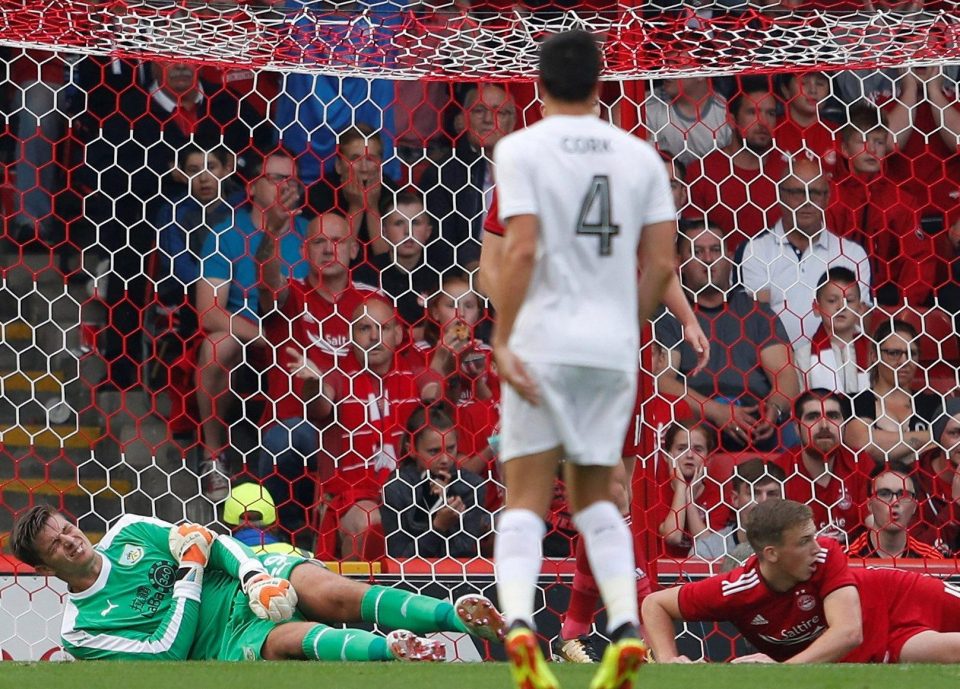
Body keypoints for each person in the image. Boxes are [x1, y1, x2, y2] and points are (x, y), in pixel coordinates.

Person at [488, 29, 678, 689]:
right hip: (610, 349)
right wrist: (627, 324)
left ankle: (519, 626)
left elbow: (519, 249)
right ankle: (624, 628)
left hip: (542, 342)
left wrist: (505, 336)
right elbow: (661, 262)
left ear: (537, 84)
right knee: (602, 497)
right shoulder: (640, 157)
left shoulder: (520, 149)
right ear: (602, 84)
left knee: (527, 500)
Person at [10, 505, 505, 662]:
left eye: (66, 529)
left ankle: (454, 616)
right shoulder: (80, 632)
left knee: (328, 591)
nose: (70, 541)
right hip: (217, 640)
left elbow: (210, 541)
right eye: (55, 546)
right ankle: (395, 650)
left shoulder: (128, 531)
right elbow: (166, 653)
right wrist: (191, 572)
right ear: (46, 570)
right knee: (286, 640)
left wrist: (254, 579)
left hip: (242, 586)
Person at [641, 498, 960, 663]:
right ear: (772, 553)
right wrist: (670, 662)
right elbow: (655, 604)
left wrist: (782, 671)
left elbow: (848, 632)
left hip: (902, 598)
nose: (816, 545)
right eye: (804, 540)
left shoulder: (827, 553)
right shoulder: (736, 590)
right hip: (879, 647)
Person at [254, 211, 379, 542]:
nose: (328, 249)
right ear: (304, 250)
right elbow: (267, 282)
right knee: (289, 437)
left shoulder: (371, 302)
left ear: (354, 249)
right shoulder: (291, 296)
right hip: (301, 427)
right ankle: (290, 542)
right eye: (318, 242)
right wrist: (272, 236)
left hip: (358, 430)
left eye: (337, 241)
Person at [195, 150, 309, 500]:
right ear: (254, 186)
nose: (282, 186)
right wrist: (266, 336)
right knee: (215, 346)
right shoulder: (227, 232)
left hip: (305, 338)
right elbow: (209, 311)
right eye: (273, 178)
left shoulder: (313, 233)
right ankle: (214, 456)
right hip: (249, 337)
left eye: (290, 179)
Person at [655, 219, 799, 452]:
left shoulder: (757, 313)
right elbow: (662, 380)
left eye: (715, 250)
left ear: (730, 257)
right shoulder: (669, 315)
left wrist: (774, 409)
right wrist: (715, 411)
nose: (709, 259)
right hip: (696, 420)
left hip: (755, 417)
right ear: (678, 263)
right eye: (697, 252)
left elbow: (786, 376)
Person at [738, 155, 872, 345]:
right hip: (774, 365)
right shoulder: (756, 250)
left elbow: (860, 323)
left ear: (827, 198)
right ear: (780, 195)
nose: (806, 201)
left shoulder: (852, 254)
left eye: (815, 193)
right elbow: (758, 322)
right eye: (797, 192)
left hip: (835, 363)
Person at [422, 83, 517, 271]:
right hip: (462, 274)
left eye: (500, 113)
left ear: (513, 122)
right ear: (464, 118)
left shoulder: (526, 171)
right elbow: (440, 245)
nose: (489, 119)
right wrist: (472, 267)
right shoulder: (442, 173)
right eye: (479, 110)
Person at [381, 403, 490, 558]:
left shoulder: (471, 487)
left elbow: (463, 553)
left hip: (459, 577)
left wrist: (448, 510)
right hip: (410, 580)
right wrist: (437, 527)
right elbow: (400, 558)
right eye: (434, 451)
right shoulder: (396, 489)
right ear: (411, 449)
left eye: (451, 448)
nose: (445, 459)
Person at [687, 80, 785, 252]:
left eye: (770, 113)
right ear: (731, 120)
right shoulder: (701, 173)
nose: (763, 122)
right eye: (752, 112)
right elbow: (692, 244)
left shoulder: (787, 173)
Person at [844, 319, 941, 465]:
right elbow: (864, 444)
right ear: (874, 356)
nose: (904, 361)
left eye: (912, 353)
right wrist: (932, 435)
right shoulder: (857, 401)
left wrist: (887, 443)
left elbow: (948, 445)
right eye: (894, 353)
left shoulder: (933, 403)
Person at [777, 389, 867, 541]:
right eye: (813, 417)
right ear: (796, 429)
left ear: (844, 425)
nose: (824, 425)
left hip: (854, 560)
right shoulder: (779, 472)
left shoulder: (860, 463)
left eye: (833, 416)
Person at [793, 268, 871, 395]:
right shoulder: (802, 356)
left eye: (849, 301)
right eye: (832, 300)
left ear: (860, 308)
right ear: (816, 308)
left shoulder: (873, 352)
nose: (841, 307)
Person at [693, 457, 786, 563]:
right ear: (735, 499)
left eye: (772, 494)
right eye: (753, 493)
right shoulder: (707, 551)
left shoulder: (796, 548)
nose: (763, 502)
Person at [846, 463, 943, 559]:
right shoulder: (847, 558)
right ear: (869, 504)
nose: (894, 502)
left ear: (915, 505)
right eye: (884, 494)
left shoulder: (931, 559)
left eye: (903, 495)